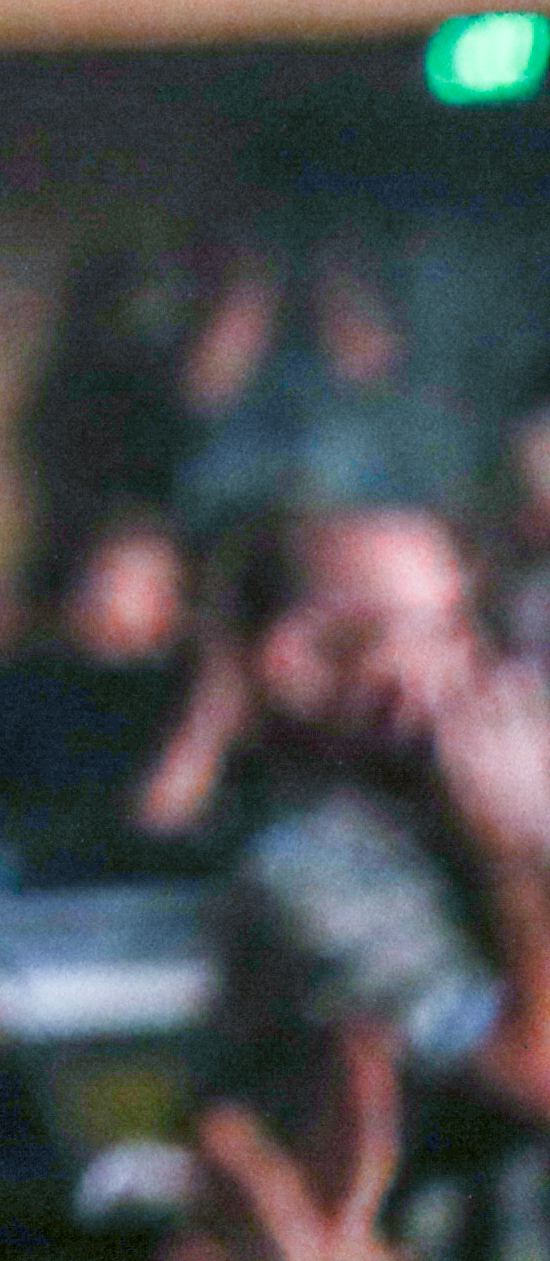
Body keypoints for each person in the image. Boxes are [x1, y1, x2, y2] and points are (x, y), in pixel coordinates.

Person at [196, 507, 550, 1261]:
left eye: (459, 624)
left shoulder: (450, 823)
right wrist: (520, 857)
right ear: (296, 660)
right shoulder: (304, 871)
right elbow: (535, 1069)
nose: (467, 662)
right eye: (416, 631)